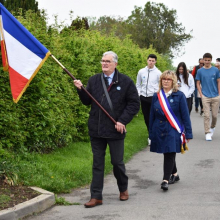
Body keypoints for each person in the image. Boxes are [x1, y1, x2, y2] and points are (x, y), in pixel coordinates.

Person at [73, 51, 140, 208]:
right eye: (102, 61)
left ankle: (123, 188)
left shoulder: (125, 82)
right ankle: (96, 196)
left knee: (117, 162)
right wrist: (81, 89)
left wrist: (122, 121)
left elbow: (134, 104)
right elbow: (87, 102)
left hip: (115, 130)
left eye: (107, 61)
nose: (104, 63)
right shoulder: (94, 80)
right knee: (97, 163)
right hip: (96, 130)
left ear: (115, 64)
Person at [149, 70, 192, 191]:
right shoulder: (156, 96)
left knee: (169, 152)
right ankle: (175, 174)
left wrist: (188, 133)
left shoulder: (179, 95)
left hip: (173, 129)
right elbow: (152, 115)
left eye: (168, 79)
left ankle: (165, 180)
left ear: (173, 81)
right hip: (159, 128)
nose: (166, 81)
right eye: (164, 79)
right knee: (167, 151)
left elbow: (185, 116)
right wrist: (151, 132)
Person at [136, 54, 162, 145]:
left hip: (153, 97)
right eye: (149, 60)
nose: (151, 62)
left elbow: (160, 86)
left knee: (153, 117)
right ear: (147, 60)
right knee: (146, 117)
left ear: (155, 62)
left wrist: (157, 95)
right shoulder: (141, 71)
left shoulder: (158, 73)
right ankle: (150, 133)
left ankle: (153, 135)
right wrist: (139, 94)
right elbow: (138, 84)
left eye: (153, 61)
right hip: (143, 97)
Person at [196, 53, 220, 141]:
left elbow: (218, 81)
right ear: (203, 60)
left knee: (214, 115)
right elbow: (198, 83)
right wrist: (201, 94)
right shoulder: (200, 71)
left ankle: (212, 127)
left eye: (208, 60)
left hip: (215, 95)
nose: (207, 62)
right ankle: (207, 132)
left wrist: (219, 93)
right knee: (206, 115)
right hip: (205, 95)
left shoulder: (215, 70)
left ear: (211, 60)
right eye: (205, 60)